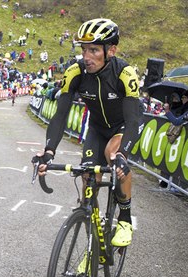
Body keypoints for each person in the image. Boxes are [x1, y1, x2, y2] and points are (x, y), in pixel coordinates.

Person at [36, 18, 141, 248]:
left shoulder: (125, 73)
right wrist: (48, 151)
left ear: (110, 50)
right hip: (97, 127)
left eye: (94, 50)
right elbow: (60, 114)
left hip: (124, 126)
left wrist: (123, 154)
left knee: (113, 155)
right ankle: (93, 246)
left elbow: (133, 119)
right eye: (84, 49)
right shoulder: (75, 71)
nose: (87, 56)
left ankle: (124, 219)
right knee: (88, 178)